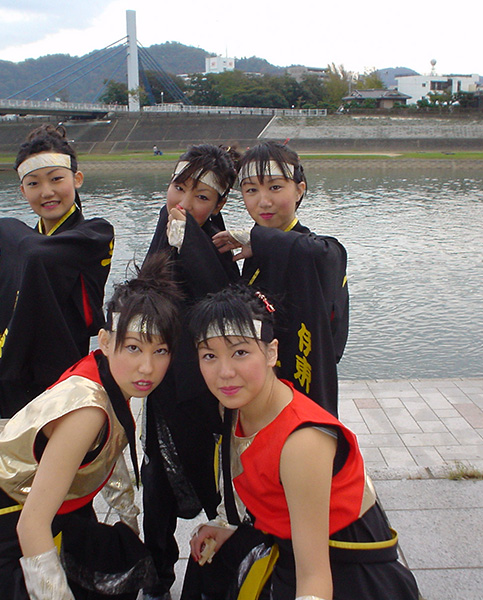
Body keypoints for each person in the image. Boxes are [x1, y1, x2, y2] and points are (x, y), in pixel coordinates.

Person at [0, 254, 181, 600]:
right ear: (105, 342)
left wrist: (128, 519)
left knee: (122, 556)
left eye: (160, 350)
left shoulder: (102, 372)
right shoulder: (87, 413)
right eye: (133, 348)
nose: (147, 367)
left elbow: (108, 453)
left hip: (20, 501)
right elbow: (31, 525)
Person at [185, 285, 419, 600]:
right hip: (287, 538)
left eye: (240, 352)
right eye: (209, 356)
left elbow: (314, 577)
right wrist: (230, 525)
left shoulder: (302, 442)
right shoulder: (234, 405)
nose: (224, 372)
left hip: (345, 566)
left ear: (271, 353)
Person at [0, 124, 114, 450]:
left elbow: (34, 251)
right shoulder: (20, 247)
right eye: (34, 183)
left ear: (77, 179)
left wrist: (2, 228)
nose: (47, 192)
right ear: (22, 191)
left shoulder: (94, 236)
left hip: (54, 393)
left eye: (56, 179)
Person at [142, 144, 241, 600]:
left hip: (210, 388)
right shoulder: (166, 227)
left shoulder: (218, 243)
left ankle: (225, 567)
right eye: (178, 188)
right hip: (165, 388)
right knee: (157, 484)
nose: (183, 203)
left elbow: (223, 302)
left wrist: (190, 244)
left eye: (201, 197)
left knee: (218, 482)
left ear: (219, 205)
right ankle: (156, 577)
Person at [213, 141, 349, 416]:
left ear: (299, 190)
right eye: (251, 190)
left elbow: (327, 254)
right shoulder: (256, 250)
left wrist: (258, 239)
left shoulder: (313, 250)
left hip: (296, 390)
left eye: (275, 187)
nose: (263, 201)